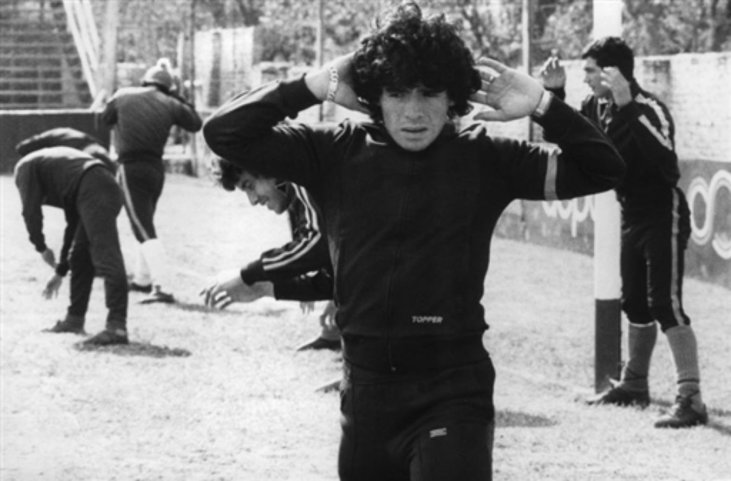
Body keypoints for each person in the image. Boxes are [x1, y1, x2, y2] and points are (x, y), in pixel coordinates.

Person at [203, 3, 624, 479]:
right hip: (365, 397)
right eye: (397, 92)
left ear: (453, 97)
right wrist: (315, 84)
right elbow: (224, 133)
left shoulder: (486, 158)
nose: (414, 111)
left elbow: (604, 169)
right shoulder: (330, 151)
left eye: (430, 92)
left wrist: (546, 106)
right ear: (374, 96)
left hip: (452, 390)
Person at [540, 36, 708, 429]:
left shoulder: (649, 107)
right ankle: (635, 385)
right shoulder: (595, 106)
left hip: (662, 211)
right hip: (630, 212)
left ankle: (691, 399)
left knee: (665, 304)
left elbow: (666, 161)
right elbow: (564, 134)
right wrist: (555, 92)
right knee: (634, 303)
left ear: (614, 72)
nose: (586, 79)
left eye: (590, 71)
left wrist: (628, 106)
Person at [201, 156, 340, 351]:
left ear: (269, 169)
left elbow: (318, 247)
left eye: (249, 186)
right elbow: (332, 275)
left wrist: (246, 274)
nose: (252, 200)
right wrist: (264, 288)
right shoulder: (294, 194)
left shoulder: (304, 180)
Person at [101, 60, 203, 304]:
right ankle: (142, 280)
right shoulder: (171, 102)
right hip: (156, 169)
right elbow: (195, 123)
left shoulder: (123, 94)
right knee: (145, 222)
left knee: (142, 227)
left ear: (145, 81)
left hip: (130, 167)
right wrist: (178, 96)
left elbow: (106, 118)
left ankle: (163, 287)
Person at [13, 145, 129, 346]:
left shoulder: (25, 168)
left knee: (106, 255)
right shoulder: (62, 174)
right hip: (100, 184)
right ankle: (75, 319)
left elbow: (30, 211)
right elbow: (72, 230)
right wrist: (60, 271)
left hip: (95, 187)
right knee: (79, 256)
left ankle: (117, 327)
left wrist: (41, 247)